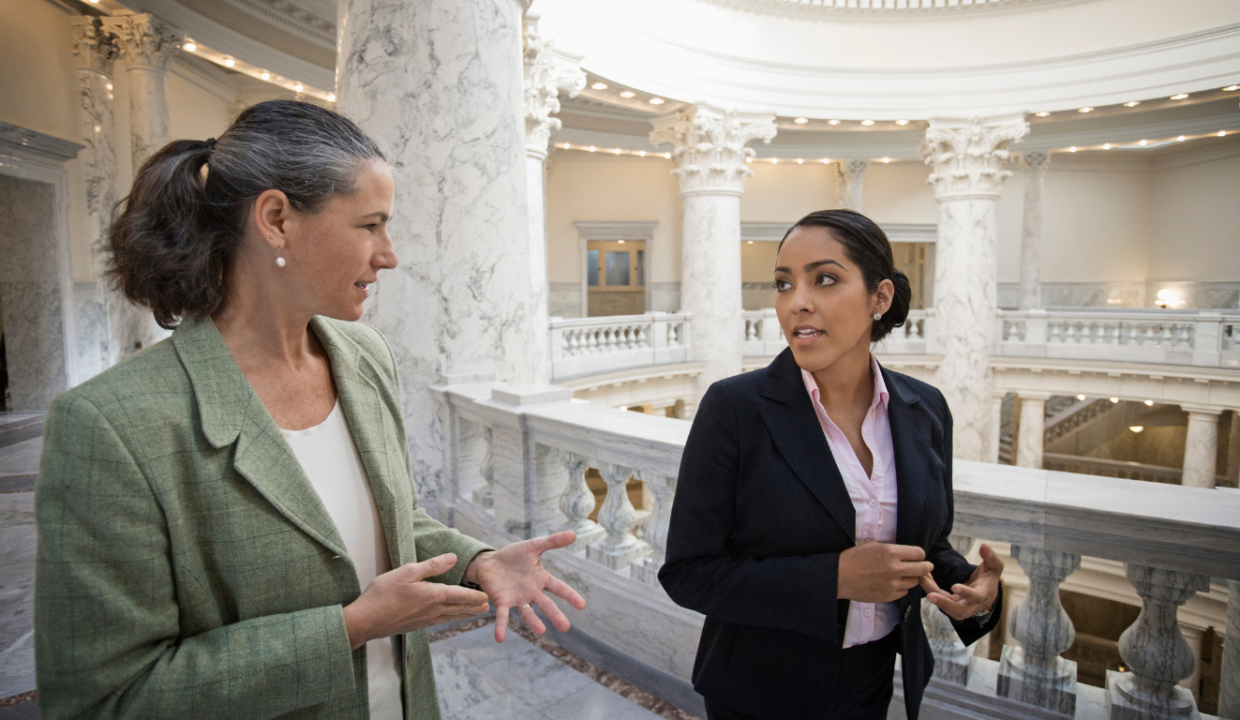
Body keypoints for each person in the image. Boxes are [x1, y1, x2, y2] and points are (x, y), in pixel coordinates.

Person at [34, 100, 584, 720]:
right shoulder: (112, 425)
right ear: (275, 219)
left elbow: (379, 525)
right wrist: (348, 628)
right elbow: (104, 699)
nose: (389, 254)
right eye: (369, 225)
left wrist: (475, 560)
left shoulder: (362, 354)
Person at [658, 209, 1004, 720]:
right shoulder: (734, 409)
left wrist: (969, 586)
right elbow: (689, 573)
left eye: (824, 279)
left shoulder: (925, 409)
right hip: (758, 693)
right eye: (783, 283)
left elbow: (925, 542)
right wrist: (834, 579)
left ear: (880, 298)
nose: (796, 302)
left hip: (872, 683)